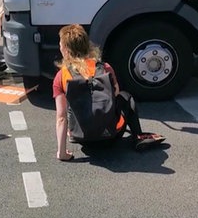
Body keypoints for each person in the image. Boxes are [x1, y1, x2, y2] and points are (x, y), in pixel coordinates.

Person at [52, 24, 164, 161]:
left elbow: (61, 117)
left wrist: (62, 153)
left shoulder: (62, 76)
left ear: (66, 50)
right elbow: (115, 94)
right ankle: (138, 137)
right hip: (110, 136)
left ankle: (75, 137)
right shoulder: (104, 68)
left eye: (61, 45)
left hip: (81, 138)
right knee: (126, 97)